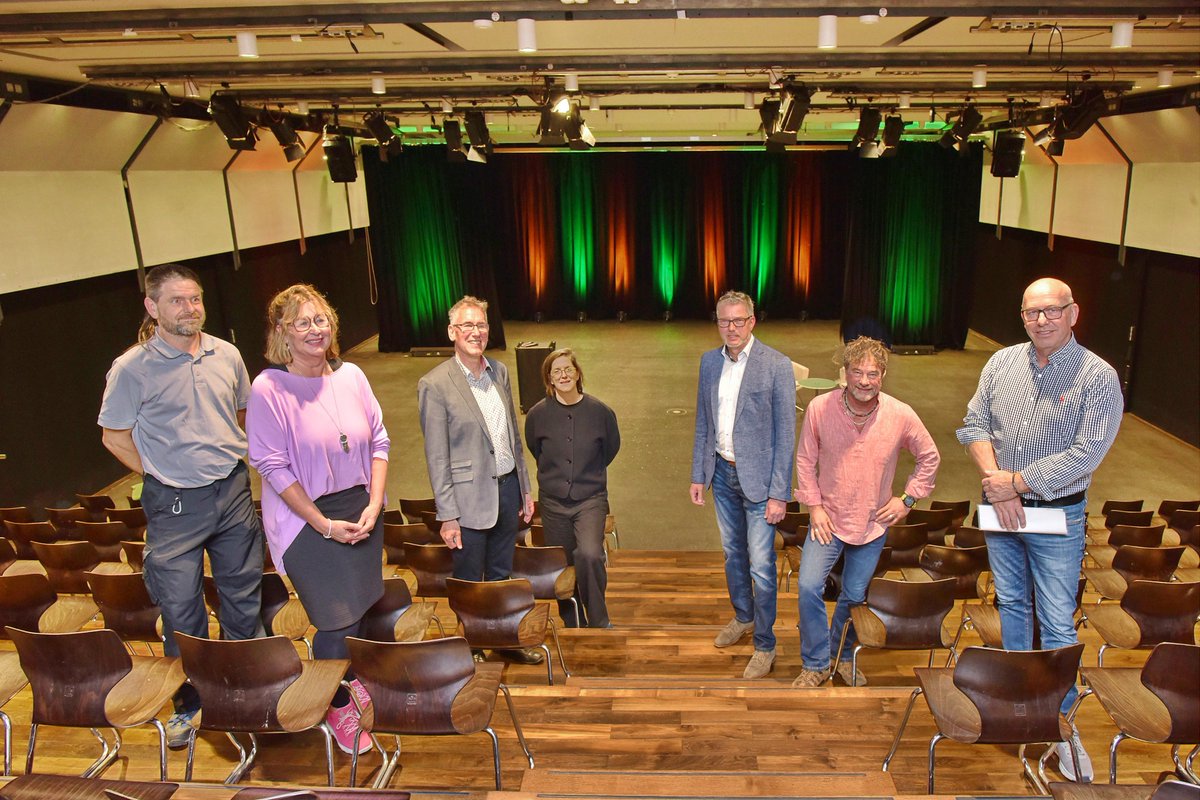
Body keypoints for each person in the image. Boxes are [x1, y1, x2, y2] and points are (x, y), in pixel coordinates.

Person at [957, 277, 1122, 783]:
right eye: (1032, 312)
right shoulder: (1001, 362)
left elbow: (1085, 455)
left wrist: (1015, 482)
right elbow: (973, 423)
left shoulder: (1098, 376)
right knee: (1010, 604)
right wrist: (998, 485)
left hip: (1058, 514)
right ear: (1022, 315)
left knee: (1054, 619)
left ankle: (1060, 727)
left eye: (1052, 311)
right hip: (1001, 507)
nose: (1041, 319)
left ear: (1074, 313)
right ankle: (1016, 703)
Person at [98, 263, 264, 747]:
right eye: (176, 300)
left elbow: (240, 413)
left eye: (194, 299)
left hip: (231, 491)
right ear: (152, 307)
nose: (189, 308)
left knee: (241, 598)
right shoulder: (131, 368)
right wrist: (159, 472)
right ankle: (189, 703)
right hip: (173, 505)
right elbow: (114, 435)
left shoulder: (227, 354)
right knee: (181, 611)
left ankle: (244, 690)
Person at [246, 284, 388, 756]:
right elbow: (271, 467)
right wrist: (323, 524)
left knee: (363, 607)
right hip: (306, 520)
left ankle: (349, 679)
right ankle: (337, 704)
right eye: (302, 322)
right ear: (283, 332)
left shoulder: (353, 377)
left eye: (321, 320)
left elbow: (380, 444)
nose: (315, 330)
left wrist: (376, 503)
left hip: (361, 510)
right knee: (333, 620)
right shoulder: (269, 388)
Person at [792, 336, 939, 688]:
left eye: (872, 373)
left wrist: (906, 500)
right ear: (844, 372)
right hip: (828, 519)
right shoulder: (819, 410)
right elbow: (805, 460)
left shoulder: (900, 414)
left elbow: (929, 457)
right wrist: (814, 507)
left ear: (883, 376)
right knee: (809, 585)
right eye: (856, 372)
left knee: (855, 597)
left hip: (873, 523)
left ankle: (840, 654)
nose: (864, 380)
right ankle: (814, 664)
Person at [417, 295, 541, 665]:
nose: (476, 332)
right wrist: (448, 515)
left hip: (506, 491)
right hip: (467, 502)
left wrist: (525, 487)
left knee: (502, 574)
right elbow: (437, 457)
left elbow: (512, 437)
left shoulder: (499, 372)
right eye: (468, 326)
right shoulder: (435, 384)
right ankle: (471, 648)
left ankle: (503, 639)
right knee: (470, 579)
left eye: (482, 325)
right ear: (452, 332)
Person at [689, 290, 795, 679]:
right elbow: (704, 422)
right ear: (717, 322)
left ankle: (765, 644)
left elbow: (785, 436)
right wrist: (699, 474)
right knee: (733, 554)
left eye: (738, 320)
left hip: (761, 484)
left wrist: (779, 493)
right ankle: (744, 617)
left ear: (752, 322)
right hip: (722, 473)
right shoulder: (708, 363)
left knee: (763, 567)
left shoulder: (776, 365)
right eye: (723, 321)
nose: (730, 328)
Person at [525, 348, 621, 628]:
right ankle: (573, 620)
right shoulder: (537, 414)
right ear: (549, 380)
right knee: (562, 562)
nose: (564, 375)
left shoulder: (600, 412)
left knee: (589, 554)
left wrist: (585, 472)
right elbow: (535, 448)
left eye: (568, 369)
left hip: (590, 498)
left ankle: (599, 619)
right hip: (554, 502)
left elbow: (610, 449)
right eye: (556, 371)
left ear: (578, 373)